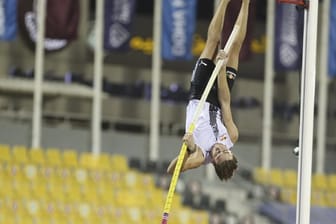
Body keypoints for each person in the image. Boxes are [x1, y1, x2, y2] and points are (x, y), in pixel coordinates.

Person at [167, 0, 250, 181]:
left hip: (199, 93)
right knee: (234, 48)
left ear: (214, 161)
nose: (220, 148)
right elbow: (225, 102)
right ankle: (245, 3)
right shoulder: (231, 136)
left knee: (213, 42)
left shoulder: (200, 156)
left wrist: (189, 149)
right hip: (219, 98)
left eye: (218, 154)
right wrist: (221, 70)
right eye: (225, 150)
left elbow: (172, 170)